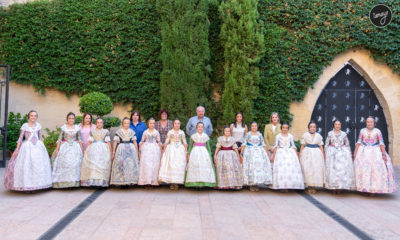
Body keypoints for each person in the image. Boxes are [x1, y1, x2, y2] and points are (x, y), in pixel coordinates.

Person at [4, 110, 52, 191]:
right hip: (27, 147)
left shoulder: (38, 125)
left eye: (35, 116)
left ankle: (38, 185)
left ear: (37, 117)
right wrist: (17, 149)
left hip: (38, 147)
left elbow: (40, 137)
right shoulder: (25, 126)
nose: (33, 117)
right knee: (28, 165)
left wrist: (43, 148)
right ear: (29, 117)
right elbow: (20, 138)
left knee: (38, 166)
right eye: (31, 115)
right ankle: (27, 185)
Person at [353, 116, 396, 195]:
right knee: (364, 170)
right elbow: (359, 141)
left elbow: (381, 143)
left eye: (371, 122)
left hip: (375, 151)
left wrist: (383, 154)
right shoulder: (362, 131)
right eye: (368, 122)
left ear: (374, 123)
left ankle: (374, 189)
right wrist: (355, 153)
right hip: (364, 151)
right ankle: (365, 188)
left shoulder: (377, 131)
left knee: (376, 170)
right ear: (366, 123)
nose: (369, 123)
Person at [52, 112, 84, 188]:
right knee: (64, 164)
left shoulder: (77, 128)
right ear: (67, 119)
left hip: (75, 147)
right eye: (70, 118)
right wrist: (57, 150)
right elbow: (59, 139)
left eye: (73, 118)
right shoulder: (63, 127)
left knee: (75, 164)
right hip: (65, 147)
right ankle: (64, 182)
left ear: (74, 119)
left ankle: (74, 183)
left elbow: (79, 139)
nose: (71, 120)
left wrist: (82, 151)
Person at [324, 120, 355, 193]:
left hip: (342, 153)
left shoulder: (344, 134)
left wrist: (349, 153)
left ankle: (340, 187)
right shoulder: (330, 133)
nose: (337, 126)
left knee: (341, 170)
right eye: (336, 124)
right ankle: (333, 187)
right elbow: (326, 143)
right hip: (332, 153)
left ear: (340, 125)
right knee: (333, 170)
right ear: (333, 125)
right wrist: (326, 152)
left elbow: (347, 144)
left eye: (339, 124)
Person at [271, 123, 304, 191]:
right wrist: (274, 156)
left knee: (289, 169)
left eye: (286, 128)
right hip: (280, 153)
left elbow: (293, 145)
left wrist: (296, 157)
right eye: (283, 127)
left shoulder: (290, 136)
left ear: (288, 129)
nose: (285, 129)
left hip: (289, 153)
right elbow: (275, 146)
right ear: (281, 128)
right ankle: (281, 186)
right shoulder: (278, 136)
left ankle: (289, 185)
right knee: (281, 170)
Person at [80, 118, 112, 187]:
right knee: (94, 165)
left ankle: (101, 182)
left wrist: (111, 151)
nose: (99, 124)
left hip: (103, 150)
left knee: (102, 165)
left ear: (103, 123)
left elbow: (108, 142)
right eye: (98, 122)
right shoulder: (92, 131)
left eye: (101, 122)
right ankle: (93, 181)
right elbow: (89, 141)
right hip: (93, 149)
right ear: (96, 123)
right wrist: (85, 151)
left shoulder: (106, 131)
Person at [241, 122, 272, 192]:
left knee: (258, 167)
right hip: (250, 152)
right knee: (251, 167)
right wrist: (241, 154)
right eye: (252, 126)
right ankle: (251, 184)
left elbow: (263, 144)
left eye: (255, 126)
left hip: (259, 152)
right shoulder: (248, 134)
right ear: (250, 127)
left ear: (257, 127)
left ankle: (256, 183)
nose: (254, 127)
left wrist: (267, 154)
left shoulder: (259, 135)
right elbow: (244, 143)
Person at [158, 119, 188, 190]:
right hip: (171, 149)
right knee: (171, 165)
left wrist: (186, 152)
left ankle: (176, 183)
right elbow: (166, 142)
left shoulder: (182, 132)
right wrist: (163, 151)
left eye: (178, 124)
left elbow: (184, 142)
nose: (177, 125)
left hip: (180, 150)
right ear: (173, 124)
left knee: (179, 166)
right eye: (175, 123)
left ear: (180, 125)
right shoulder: (170, 132)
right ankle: (172, 183)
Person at [185, 122, 216, 188]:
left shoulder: (206, 136)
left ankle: (203, 183)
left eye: (202, 127)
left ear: (203, 128)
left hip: (204, 152)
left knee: (203, 166)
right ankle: (195, 183)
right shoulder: (193, 136)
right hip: (195, 152)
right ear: (196, 128)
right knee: (195, 166)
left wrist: (210, 155)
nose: (200, 128)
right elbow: (190, 146)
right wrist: (188, 154)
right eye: (199, 127)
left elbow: (208, 147)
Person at [110, 117, 140, 186]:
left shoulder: (132, 132)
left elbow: (135, 142)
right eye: (125, 123)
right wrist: (113, 152)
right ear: (122, 124)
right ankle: (121, 182)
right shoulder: (118, 132)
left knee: (129, 165)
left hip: (130, 149)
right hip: (121, 148)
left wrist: (136, 151)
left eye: (128, 123)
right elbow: (115, 142)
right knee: (121, 164)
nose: (126, 124)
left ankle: (128, 182)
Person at [299, 121, 325, 194]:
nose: (312, 128)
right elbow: (302, 145)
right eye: (311, 127)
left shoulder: (319, 136)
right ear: (309, 128)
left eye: (314, 127)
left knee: (315, 169)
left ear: (316, 128)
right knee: (307, 169)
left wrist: (323, 155)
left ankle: (313, 186)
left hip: (316, 153)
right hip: (307, 153)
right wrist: (300, 155)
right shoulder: (305, 135)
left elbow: (321, 146)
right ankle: (308, 186)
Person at [138, 118, 162, 188]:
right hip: (146, 149)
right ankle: (147, 182)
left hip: (155, 149)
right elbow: (142, 141)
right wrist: (140, 150)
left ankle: (153, 182)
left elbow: (159, 141)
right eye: (150, 123)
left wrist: (161, 151)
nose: (152, 124)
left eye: (153, 123)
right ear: (148, 124)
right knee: (147, 165)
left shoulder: (156, 132)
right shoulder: (145, 132)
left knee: (154, 165)